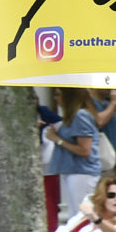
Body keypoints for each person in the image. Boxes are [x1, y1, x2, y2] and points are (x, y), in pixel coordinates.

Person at [43, 88, 102, 223]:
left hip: (81, 171)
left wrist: (57, 139)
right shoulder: (73, 116)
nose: (55, 98)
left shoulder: (80, 115)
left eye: (59, 94)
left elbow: (85, 150)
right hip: (72, 170)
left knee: (81, 215)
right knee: (74, 214)